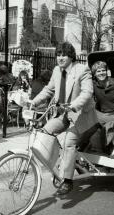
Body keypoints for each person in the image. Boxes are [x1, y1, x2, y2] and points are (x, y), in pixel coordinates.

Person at [30, 42, 97, 195]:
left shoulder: (81, 70)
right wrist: (33, 102)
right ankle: (57, 167)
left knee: (68, 142)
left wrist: (74, 105)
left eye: (63, 55)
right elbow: (48, 90)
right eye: (58, 54)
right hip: (63, 114)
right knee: (45, 132)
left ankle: (68, 180)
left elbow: (87, 92)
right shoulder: (56, 70)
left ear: (71, 56)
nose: (60, 58)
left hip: (80, 115)